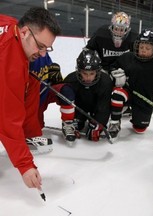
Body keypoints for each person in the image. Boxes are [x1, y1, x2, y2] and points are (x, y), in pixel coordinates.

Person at [0, 7, 61, 190]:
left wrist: (31, 134)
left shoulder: (12, 24)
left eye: (47, 48)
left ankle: (29, 134)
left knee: (31, 83)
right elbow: (7, 119)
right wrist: (25, 165)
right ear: (25, 32)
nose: (43, 54)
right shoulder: (10, 63)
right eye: (40, 46)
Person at [107, 29, 153, 140]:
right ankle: (115, 121)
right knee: (118, 94)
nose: (143, 50)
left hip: (144, 98)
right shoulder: (127, 57)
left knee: (139, 129)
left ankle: (134, 113)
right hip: (127, 93)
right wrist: (116, 74)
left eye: (148, 48)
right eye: (141, 47)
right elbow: (113, 67)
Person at [46, 48, 113, 144]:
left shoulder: (106, 82)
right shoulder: (70, 79)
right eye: (85, 73)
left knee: (94, 129)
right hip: (79, 109)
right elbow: (64, 101)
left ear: (97, 71)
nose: (88, 77)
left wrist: (98, 123)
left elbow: (104, 106)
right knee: (78, 125)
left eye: (92, 73)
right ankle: (79, 120)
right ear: (79, 71)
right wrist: (55, 83)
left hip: (97, 108)